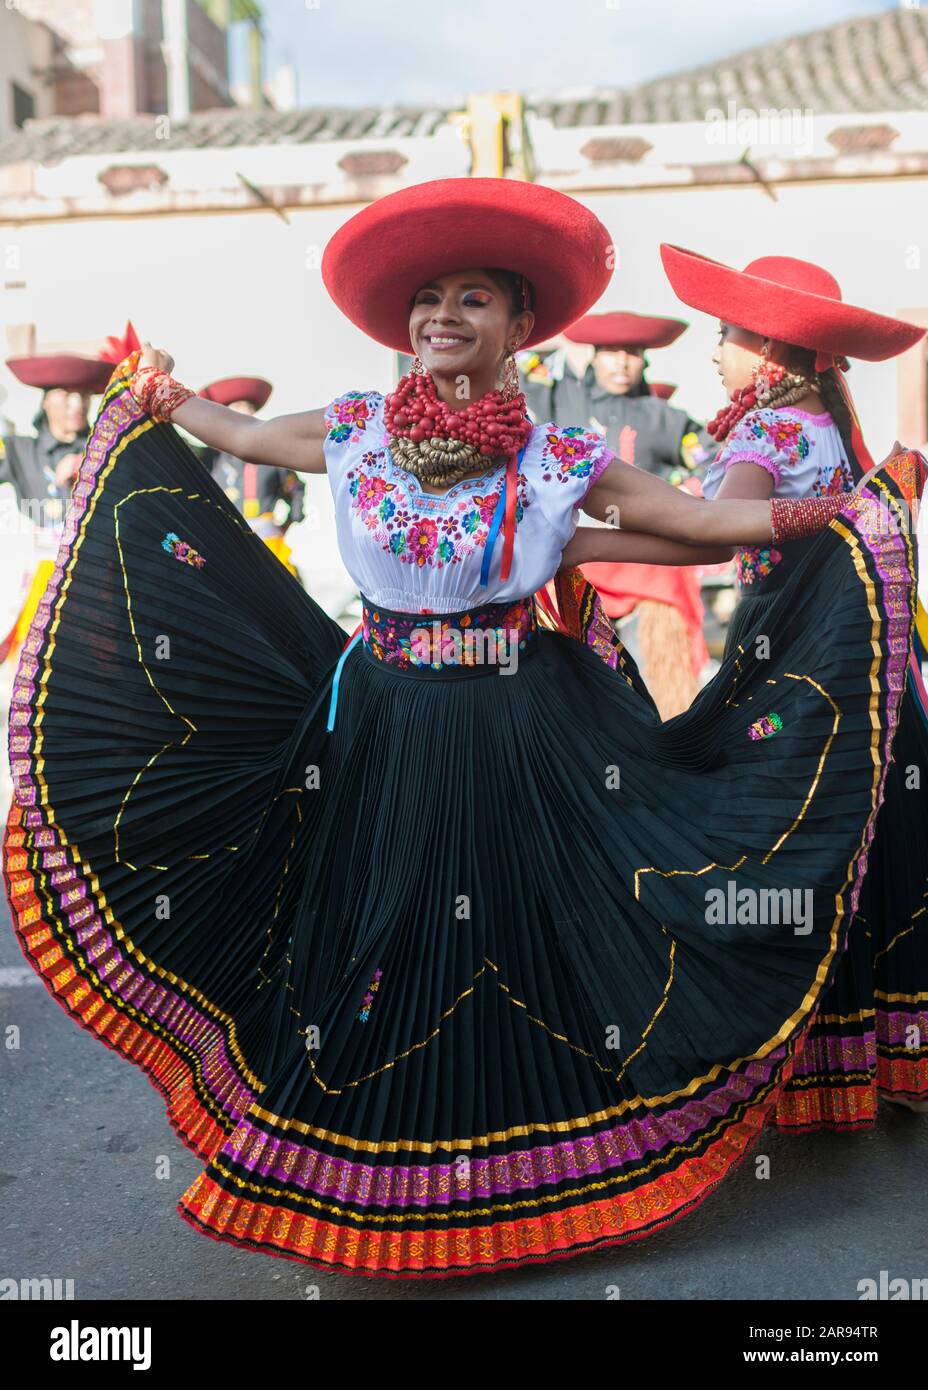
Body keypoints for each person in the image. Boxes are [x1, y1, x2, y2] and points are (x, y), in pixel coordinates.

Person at [3, 177, 924, 1281]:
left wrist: (836, 509)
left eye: (474, 298)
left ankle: (528, 1164)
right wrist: (162, 394)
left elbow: (694, 521)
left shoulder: (561, 458)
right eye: (429, 297)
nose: (444, 315)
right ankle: (376, 1178)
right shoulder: (351, 428)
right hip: (384, 728)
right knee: (376, 936)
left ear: (522, 325)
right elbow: (234, 429)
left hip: (523, 726)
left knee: (529, 941)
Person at [661, 244, 928, 1123]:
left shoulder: (774, 432)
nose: (715, 349)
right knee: (864, 841)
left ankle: (795, 1057)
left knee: (776, 838)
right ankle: (884, 1055)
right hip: (856, 674)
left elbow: (710, 529)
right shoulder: (831, 432)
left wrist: (585, 537)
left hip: (792, 667)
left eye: (728, 334)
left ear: (771, 354)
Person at [525, 310, 717, 718]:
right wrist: (559, 338)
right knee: (575, 675)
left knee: (656, 677)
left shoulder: (665, 418)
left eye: (631, 352)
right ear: (591, 356)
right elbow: (518, 360)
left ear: (645, 360)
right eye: (610, 351)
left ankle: (662, 743)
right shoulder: (560, 395)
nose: (622, 362)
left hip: (647, 567)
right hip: (576, 560)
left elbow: (710, 462)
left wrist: (686, 493)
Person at [0, 351, 112, 662]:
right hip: (36, 583)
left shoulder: (106, 448)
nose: (76, 403)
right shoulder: (18, 450)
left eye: (83, 395)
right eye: (66, 395)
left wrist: (91, 467)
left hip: (95, 581)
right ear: (46, 401)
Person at [196, 376, 305, 580]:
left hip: (267, 542)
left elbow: (296, 489)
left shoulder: (273, 454)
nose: (246, 412)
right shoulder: (212, 457)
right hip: (224, 541)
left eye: (249, 407)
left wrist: (286, 524)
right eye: (238, 406)